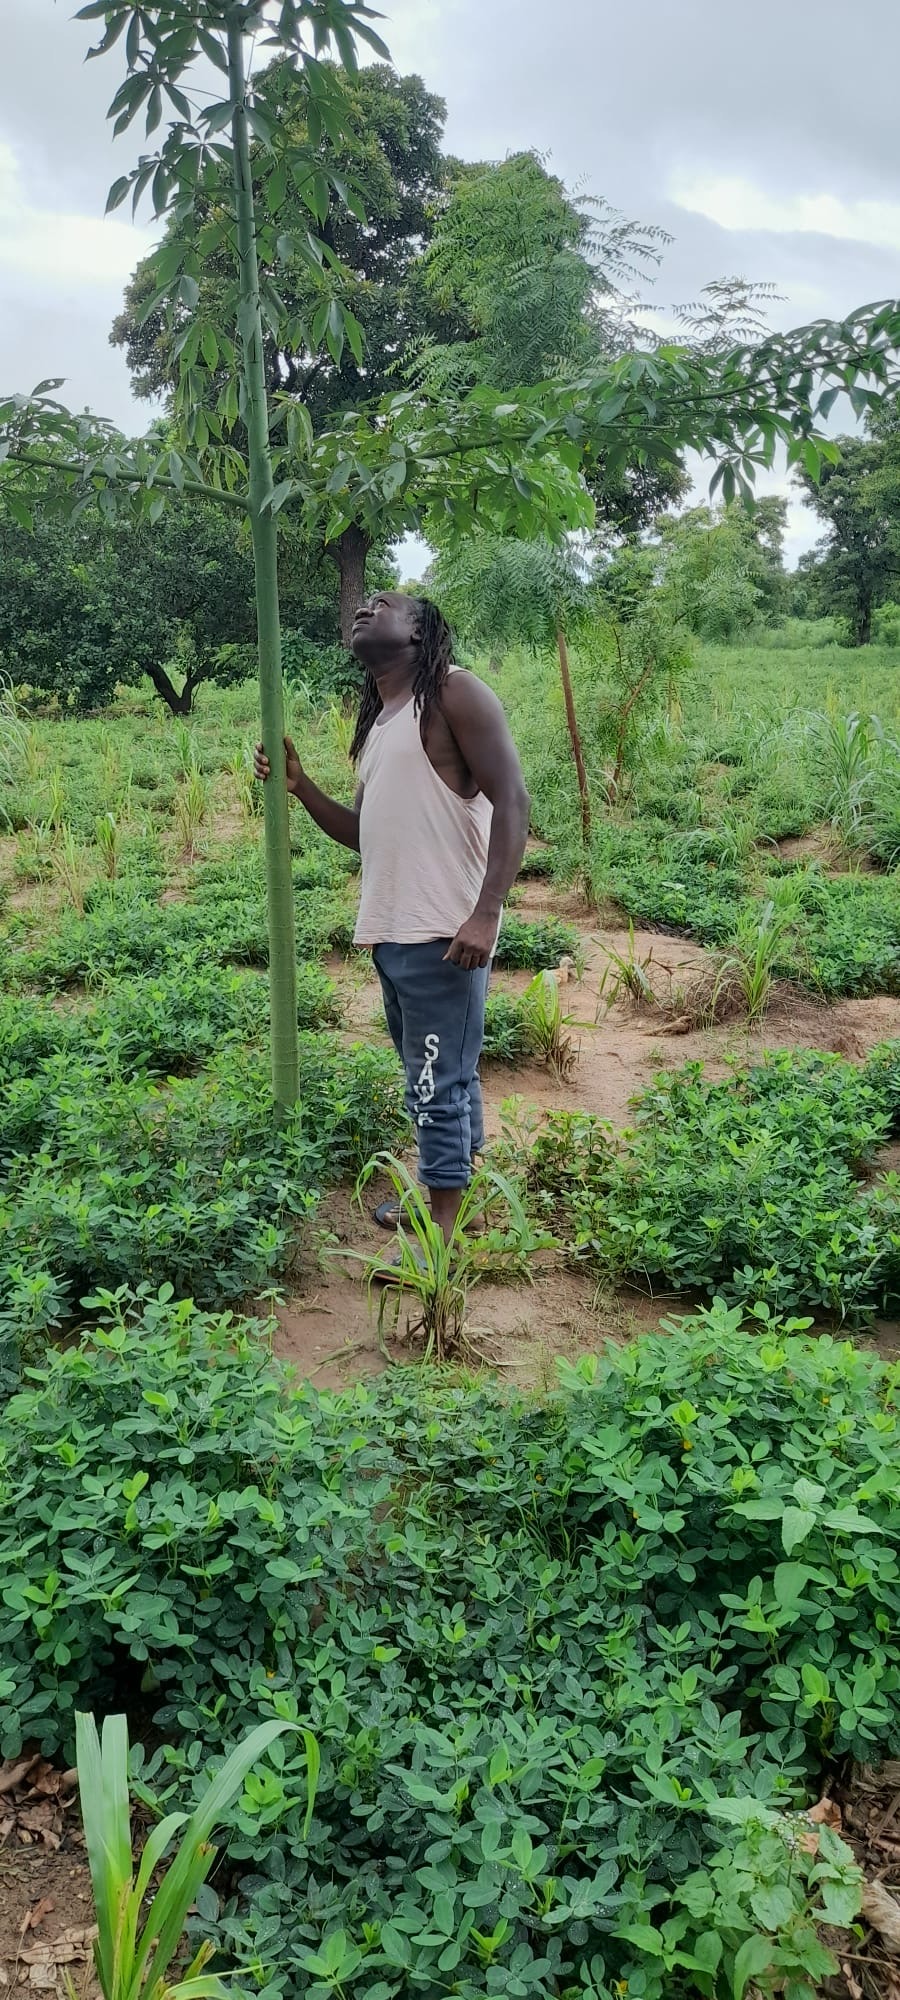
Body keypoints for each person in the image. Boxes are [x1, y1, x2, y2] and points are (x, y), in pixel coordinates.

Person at [254, 591, 530, 1241]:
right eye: (360, 603)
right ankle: (459, 1193)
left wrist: (487, 913)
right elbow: (364, 833)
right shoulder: (381, 721)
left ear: (420, 631)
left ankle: (440, 1233)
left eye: (385, 602)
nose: (363, 606)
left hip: (444, 935)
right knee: (436, 1075)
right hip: (394, 935)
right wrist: (300, 787)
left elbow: (513, 800)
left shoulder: (454, 694)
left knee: (437, 1082)